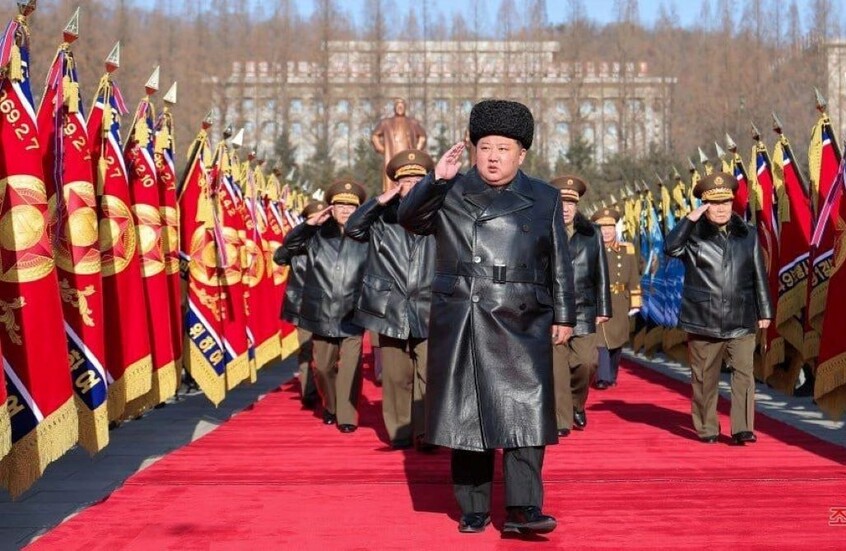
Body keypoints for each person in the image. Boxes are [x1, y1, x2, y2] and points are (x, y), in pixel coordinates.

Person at [398, 100, 576, 536]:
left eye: (504, 148)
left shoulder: (545, 197)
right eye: (485, 147)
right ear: (474, 149)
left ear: (522, 154)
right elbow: (409, 219)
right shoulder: (450, 190)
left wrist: (566, 314)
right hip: (465, 314)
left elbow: (559, 261)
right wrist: (434, 180)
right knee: (468, 413)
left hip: (524, 317)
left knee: (526, 412)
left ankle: (524, 508)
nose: (493, 157)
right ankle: (473, 507)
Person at [664, 172, 773, 445]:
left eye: (726, 201)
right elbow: (670, 247)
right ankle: (707, 427)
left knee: (744, 373)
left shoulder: (748, 234)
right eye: (714, 203)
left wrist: (765, 310)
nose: (722, 208)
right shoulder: (692, 234)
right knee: (704, 378)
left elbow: (758, 274)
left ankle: (742, 428)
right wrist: (689, 219)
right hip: (704, 317)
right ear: (704, 205)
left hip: (741, 315)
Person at [346, 149, 436, 452]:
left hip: (430, 304)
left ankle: (427, 432)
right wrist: (380, 201)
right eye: (405, 181)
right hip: (391, 305)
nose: (412, 185)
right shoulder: (381, 218)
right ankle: (400, 431)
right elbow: (353, 228)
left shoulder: (439, 214)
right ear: (396, 184)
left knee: (429, 372)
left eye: (418, 180)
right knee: (396, 376)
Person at [277, 180, 369, 433]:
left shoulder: (366, 235)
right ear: (331, 209)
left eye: (351, 206)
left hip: (353, 312)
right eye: (340, 205)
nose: (346, 210)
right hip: (321, 312)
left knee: (350, 367)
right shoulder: (316, 235)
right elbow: (286, 249)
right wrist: (309, 225)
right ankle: (330, 404)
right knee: (323, 368)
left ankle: (347, 416)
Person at [548, 176, 611, 435]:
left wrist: (603, 308)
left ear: (577, 205)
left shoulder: (591, 233)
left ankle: (576, 404)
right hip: (552, 311)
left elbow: (601, 272)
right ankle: (561, 420)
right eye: (561, 202)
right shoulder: (544, 230)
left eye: (570, 203)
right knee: (558, 369)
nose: (565, 208)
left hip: (584, 309)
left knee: (586, 363)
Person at [273, 200, 326, 409]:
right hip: (303, 304)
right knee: (306, 349)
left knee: (328, 353)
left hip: (329, 304)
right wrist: (302, 232)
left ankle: (328, 389)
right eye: (314, 219)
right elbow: (279, 257)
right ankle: (308, 392)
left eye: (324, 218)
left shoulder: (334, 239)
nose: (320, 222)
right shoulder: (297, 243)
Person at [591, 208, 642, 389]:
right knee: (601, 341)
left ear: (615, 229)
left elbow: (633, 277)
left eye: (610, 227)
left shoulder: (626, 250)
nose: (606, 231)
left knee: (617, 341)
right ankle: (602, 378)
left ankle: (611, 374)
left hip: (620, 300)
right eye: (602, 228)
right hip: (599, 299)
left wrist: (635, 302)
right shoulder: (591, 249)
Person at [371, 98, 427, 192]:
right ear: (394, 108)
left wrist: (417, 150)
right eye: (398, 106)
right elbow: (374, 136)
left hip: (408, 159)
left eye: (402, 106)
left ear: (405, 108)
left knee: (408, 182)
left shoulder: (412, 122)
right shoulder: (386, 122)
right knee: (391, 183)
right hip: (391, 157)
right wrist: (382, 149)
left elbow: (422, 137)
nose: (400, 108)